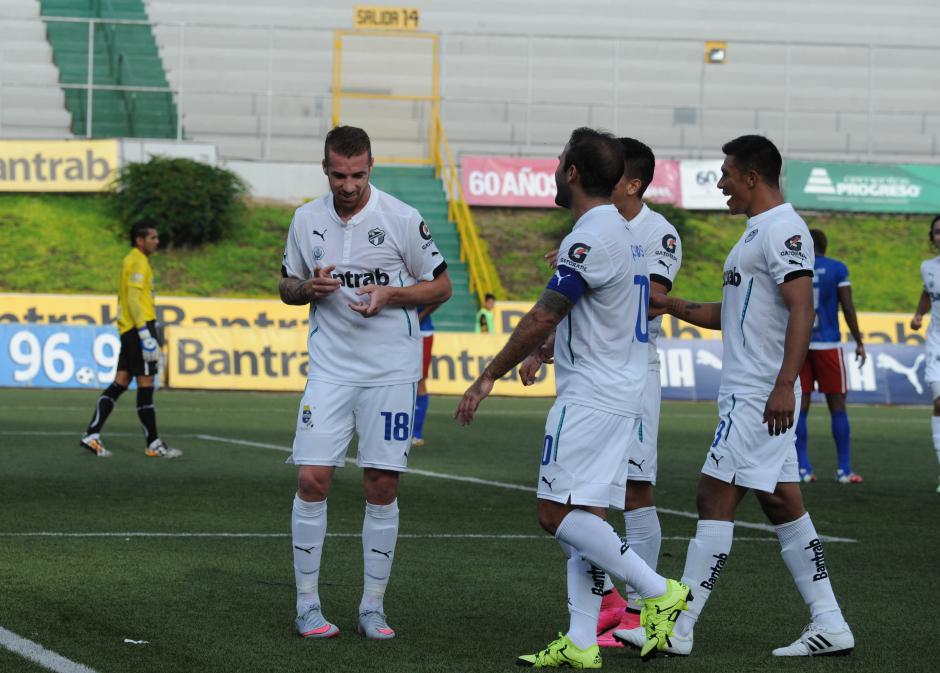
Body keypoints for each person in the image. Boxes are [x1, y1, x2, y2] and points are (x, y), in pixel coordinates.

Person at [456, 127, 690, 668]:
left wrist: (489, 374)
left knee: (552, 512)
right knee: (586, 513)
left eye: (561, 159)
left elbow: (545, 312)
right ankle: (583, 642)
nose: (556, 166)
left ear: (573, 173)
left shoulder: (592, 237)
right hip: (620, 386)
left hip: (592, 396)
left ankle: (660, 590)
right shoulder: (626, 231)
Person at [615, 135, 854, 657]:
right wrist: (669, 303)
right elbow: (729, 314)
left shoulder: (784, 229)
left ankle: (678, 628)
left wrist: (784, 384)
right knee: (782, 503)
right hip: (750, 391)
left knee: (713, 495)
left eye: (726, 173)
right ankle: (831, 622)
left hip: (759, 394)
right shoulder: (754, 234)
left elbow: (802, 310)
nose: (720, 182)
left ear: (751, 176)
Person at [279, 126, 451, 640]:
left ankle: (372, 606)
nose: (348, 184)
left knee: (382, 486)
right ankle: (307, 604)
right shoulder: (306, 218)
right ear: (325, 169)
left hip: (390, 374)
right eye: (338, 175)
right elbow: (285, 284)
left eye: (357, 174)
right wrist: (307, 287)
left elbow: (441, 284)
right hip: (329, 371)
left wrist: (391, 296)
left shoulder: (401, 218)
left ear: (370, 167)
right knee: (312, 479)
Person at [525, 138, 683, 647]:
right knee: (585, 508)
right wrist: (547, 344)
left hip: (625, 379)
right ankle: (589, 630)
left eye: (612, 175)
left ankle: (644, 606)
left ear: (632, 184)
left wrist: (597, 268)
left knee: (627, 494)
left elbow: (649, 300)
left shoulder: (654, 233)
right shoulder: (599, 232)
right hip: (596, 374)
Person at [79, 221, 180, 459]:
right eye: (153, 237)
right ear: (139, 240)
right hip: (139, 329)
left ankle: (92, 434)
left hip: (130, 330)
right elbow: (134, 301)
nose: (157, 241)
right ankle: (153, 443)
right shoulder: (136, 261)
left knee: (120, 383)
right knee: (146, 387)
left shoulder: (135, 260)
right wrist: (145, 334)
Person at [795, 229, 866, 484]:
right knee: (837, 407)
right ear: (825, 245)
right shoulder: (837, 268)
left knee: (800, 409)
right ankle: (844, 470)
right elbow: (847, 306)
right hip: (828, 344)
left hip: (800, 346)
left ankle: (802, 468)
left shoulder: (795, 266)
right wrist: (859, 341)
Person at [909, 213, 940, 494]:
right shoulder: (928, 267)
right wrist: (919, 314)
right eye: (938, 232)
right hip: (937, 344)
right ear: (932, 237)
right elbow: (927, 293)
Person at [412, 303, 441, 447]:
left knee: (419, 382)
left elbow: (440, 295)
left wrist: (420, 316)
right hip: (398, 332)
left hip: (421, 332)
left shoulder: (426, 279)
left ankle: (416, 433)